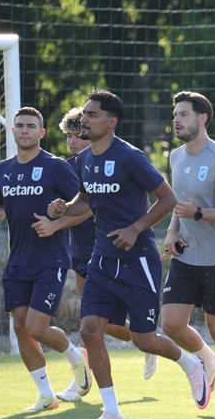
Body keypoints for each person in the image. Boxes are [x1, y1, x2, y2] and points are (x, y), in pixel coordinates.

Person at [47, 89, 207, 419]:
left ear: (111, 122)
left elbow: (168, 199)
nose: (84, 120)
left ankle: (192, 365)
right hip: (101, 259)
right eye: (84, 114)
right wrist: (64, 208)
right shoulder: (85, 160)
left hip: (138, 260)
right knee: (90, 329)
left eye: (92, 114)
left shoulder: (130, 157)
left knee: (143, 339)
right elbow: (85, 200)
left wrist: (135, 229)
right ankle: (111, 413)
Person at [36, 107, 156, 403]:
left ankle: (146, 343)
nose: (73, 141)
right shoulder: (71, 166)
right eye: (68, 136)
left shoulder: (111, 161)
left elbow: (90, 208)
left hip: (108, 248)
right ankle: (144, 342)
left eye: (78, 135)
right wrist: (57, 210)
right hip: (80, 249)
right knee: (92, 322)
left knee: (97, 324)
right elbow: (72, 204)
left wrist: (57, 224)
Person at [0, 107, 92, 412]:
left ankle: (77, 358)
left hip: (50, 260)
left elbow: (87, 206)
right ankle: (46, 396)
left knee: (36, 328)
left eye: (31, 126)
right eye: (20, 126)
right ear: (13, 131)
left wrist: (56, 224)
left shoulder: (55, 167)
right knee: (21, 327)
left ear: (41, 133)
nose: (25, 130)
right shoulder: (3, 169)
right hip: (17, 261)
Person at [161, 91, 215, 418]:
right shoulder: (175, 157)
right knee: (171, 324)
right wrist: (172, 231)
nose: (176, 120)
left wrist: (197, 214)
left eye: (183, 114)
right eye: (175, 115)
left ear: (202, 118)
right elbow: (179, 204)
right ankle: (209, 362)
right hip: (187, 257)